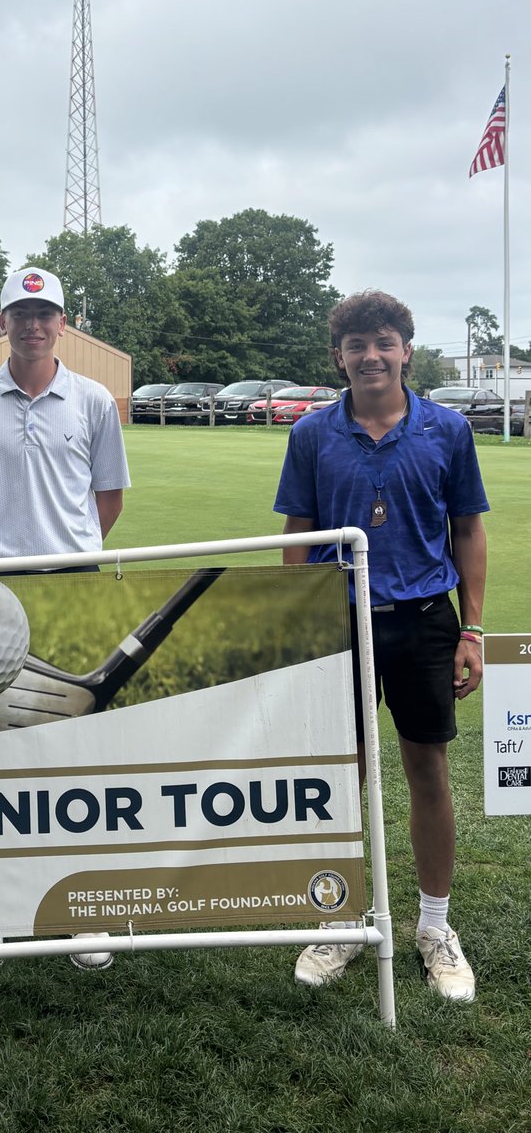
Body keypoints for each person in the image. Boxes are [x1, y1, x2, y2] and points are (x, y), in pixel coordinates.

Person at [273, 290, 488, 1003]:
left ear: (405, 349)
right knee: (344, 776)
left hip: (425, 618)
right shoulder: (311, 434)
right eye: (357, 344)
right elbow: (297, 537)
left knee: (426, 770)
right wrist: (301, 632)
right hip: (341, 621)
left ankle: (434, 928)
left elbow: (468, 531)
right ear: (339, 356)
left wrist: (473, 628)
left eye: (384, 341)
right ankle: (341, 917)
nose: (371, 355)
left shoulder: (447, 430)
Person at [0, 266, 131, 974]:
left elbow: (107, 499)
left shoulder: (96, 399)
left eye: (45, 315)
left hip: (74, 582)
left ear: (63, 324)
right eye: (21, 313)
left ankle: (82, 910)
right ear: (3, 320)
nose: (33, 325)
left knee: (76, 751)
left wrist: (65, 549)